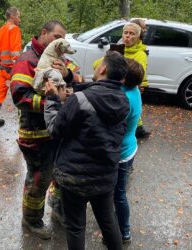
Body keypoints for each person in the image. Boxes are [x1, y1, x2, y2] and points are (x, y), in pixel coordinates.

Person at [44, 51, 130, 250]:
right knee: (109, 223)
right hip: (105, 176)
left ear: (103, 69)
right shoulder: (123, 100)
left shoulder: (80, 99)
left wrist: (52, 100)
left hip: (75, 177)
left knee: (75, 227)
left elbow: (54, 130)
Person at [10, 20, 81, 240]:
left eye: (63, 38)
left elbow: (80, 80)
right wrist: (53, 100)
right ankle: (31, 220)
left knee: (59, 174)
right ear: (43, 33)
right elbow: (20, 96)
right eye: (57, 37)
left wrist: (68, 76)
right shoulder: (27, 61)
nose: (61, 42)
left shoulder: (60, 58)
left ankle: (57, 208)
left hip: (59, 130)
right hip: (36, 134)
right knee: (39, 179)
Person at [94, 22, 150, 138]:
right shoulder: (116, 50)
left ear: (138, 37)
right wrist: (111, 56)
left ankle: (137, 129)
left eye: (132, 34)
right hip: (112, 88)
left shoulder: (140, 54)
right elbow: (96, 66)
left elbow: (138, 73)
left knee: (128, 113)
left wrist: (117, 62)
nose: (127, 36)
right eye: (125, 33)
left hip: (128, 89)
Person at [114, 58, 144, 244]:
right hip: (129, 147)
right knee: (118, 192)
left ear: (123, 78)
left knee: (118, 195)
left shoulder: (123, 98)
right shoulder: (132, 91)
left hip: (120, 154)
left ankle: (124, 232)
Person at [0, 7, 22, 127]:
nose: (20, 19)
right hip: (12, 70)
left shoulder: (0, 31)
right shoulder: (15, 29)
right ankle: (25, 121)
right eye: (18, 16)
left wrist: (1, 64)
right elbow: (15, 52)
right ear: (12, 16)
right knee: (22, 93)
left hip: (3, 69)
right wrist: (17, 68)